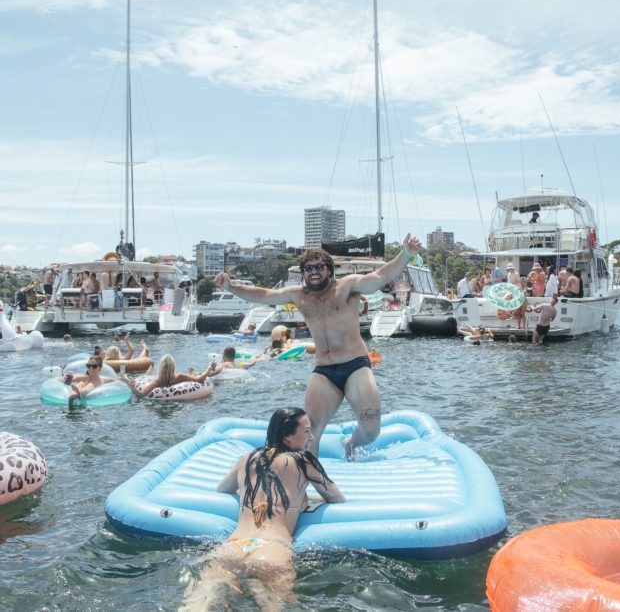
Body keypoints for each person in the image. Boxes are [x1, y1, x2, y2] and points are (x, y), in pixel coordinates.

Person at [214, 233, 422, 457]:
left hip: (356, 366)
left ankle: (350, 444)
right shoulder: (298, 295)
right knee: (310, 431)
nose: (314, 272)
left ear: (328, 270)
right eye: (309, 268)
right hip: (324, 371)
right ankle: (308, 481)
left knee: (371, 432)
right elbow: (265, 294)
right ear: (303, 273)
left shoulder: (347, 287)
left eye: (319, 267)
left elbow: (381, 275)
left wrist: (406, 254)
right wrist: (231, 286)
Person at [182, 407, 345, 611]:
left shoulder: (248, 457)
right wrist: (304, 499)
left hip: (233, 547)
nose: (311, 437)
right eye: (306, 432)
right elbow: (335, 497)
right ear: (287, 436)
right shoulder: (304, 460)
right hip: (272, 549)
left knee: (197, 603)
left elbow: (223, 489)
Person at [122, 354, 215, 398]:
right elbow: (200, 379)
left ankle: (148, 373)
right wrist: (210, 367)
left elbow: (141, 394)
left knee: (147, 376)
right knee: (195, 375)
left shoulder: (157, 381)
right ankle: (192, 372)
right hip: (181, 388)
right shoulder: (179, 376)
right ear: (173, 367)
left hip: (157, 384)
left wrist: (129, 384)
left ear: (160, 368)